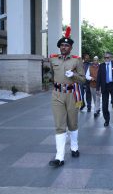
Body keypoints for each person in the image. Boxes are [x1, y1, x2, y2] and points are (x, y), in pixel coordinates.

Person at [48, 26, 86, 168]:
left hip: (72, 95)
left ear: (71, 48)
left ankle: (74, 147)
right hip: (57, 94)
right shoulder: (52, 59)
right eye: (62, 45)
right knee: (59, 125)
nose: (64, 47)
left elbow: (83, 80)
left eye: (67, 45)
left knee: (73, 123)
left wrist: (74, 75)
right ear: (59, 47)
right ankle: (59, 157)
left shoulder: (77, 61)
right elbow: (52, 75)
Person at [96, 52, 113, 127]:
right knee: (104, 105)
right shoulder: (101, 66)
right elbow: (99, 77)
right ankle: (106, 120)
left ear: (110, 58)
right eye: (105, 57)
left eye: (107, 57)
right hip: (104, 86)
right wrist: (98, 88)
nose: (106, 59)